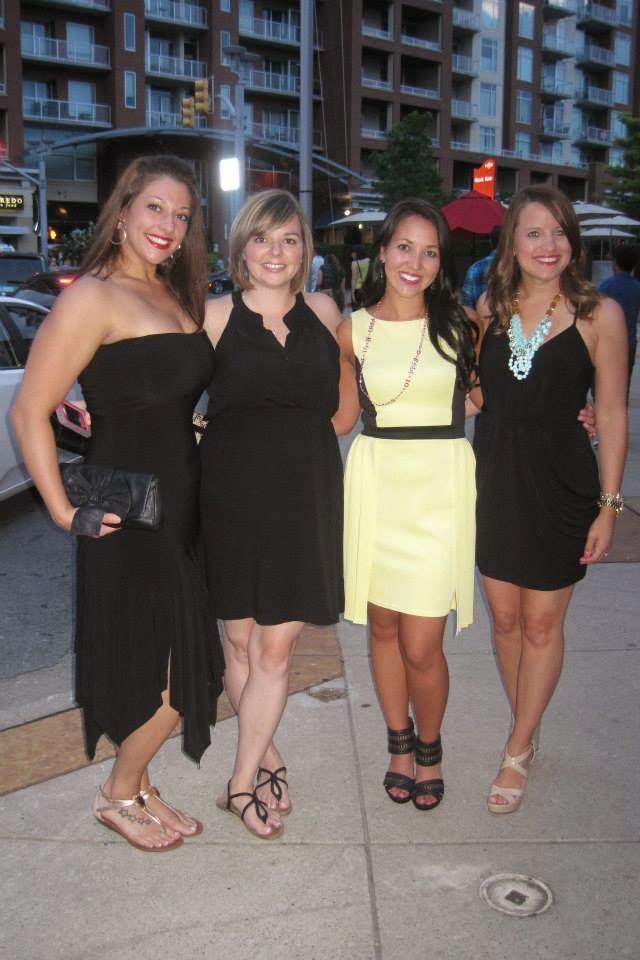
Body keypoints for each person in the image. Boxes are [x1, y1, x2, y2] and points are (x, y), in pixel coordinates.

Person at [11, 155, 224, 851]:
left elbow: (168, 399)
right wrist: (59, 509)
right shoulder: (92, 297)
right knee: (184, 665)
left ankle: (140, 785)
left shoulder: (175, 295)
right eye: (155, 207)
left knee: (166, 656)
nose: (169, 224)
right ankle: (117, 791)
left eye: (182, 215)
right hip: (129, 510)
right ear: (124, 210)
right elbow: (29, 411)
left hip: (184, 501)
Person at [472, 184, 627, 814]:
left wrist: (609, 506)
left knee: (541, 622)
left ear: (573, 243)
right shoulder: (489, 307)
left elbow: (610, 413)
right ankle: (527, 723)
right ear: (512, 241)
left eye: (559, 231)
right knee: (505, 619)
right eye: (534, 232)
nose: (548, 244)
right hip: (494, 483)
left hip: (562, 485)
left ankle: (517, 747)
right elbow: (480, 394)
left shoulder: (599, 314)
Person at [200, 189, 344, 839]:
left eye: (289, 239)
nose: (275, 252)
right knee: (238, 643)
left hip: (305, 496)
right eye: (262, 238)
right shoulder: (212, 316)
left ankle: (239, 783)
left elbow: (361, 393)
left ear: (304, 249)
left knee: (276, 648)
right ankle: (269, 756)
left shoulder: (325, 311)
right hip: (231, 497)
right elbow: (169, 396)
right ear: (241, 248)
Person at [334, 198, 479, 810]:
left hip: (439, 492)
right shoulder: (351, 330)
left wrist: (571, 413)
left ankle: (431, 745)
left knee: (422, 643)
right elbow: (339, 418)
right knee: (384, 629)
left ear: (441, 263)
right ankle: (400, 743)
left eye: (429, 252)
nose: (414, 262)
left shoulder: (462, 326)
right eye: (403, 247)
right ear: (382, 252)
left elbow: (490, 401)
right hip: (376, 484)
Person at [599, 243, 640, 398]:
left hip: (607, 342)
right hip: (629, 341)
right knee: (624, 386)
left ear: (615, 262)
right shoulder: (637, 287)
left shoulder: (606, 286)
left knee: (603, 384)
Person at [460, 224, 501, 311]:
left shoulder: (475, 268)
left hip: (478, 317)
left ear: (490, 242)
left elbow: (466, 305)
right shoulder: (519, 266)